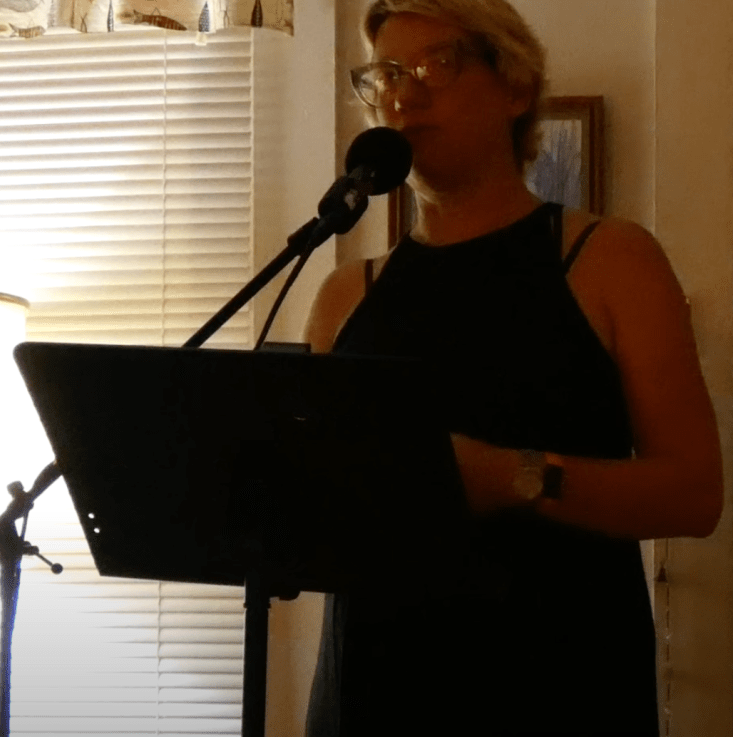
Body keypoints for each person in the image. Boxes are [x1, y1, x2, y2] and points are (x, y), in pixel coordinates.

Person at [303, 1, 723, 735]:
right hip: (370, 692)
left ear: (516, 86)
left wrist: (508, 476)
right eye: (388, 75)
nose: (404, 96)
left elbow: (693, 494)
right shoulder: (344, 295)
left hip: (561, 688)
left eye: (435, 65)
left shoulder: (611, 260)